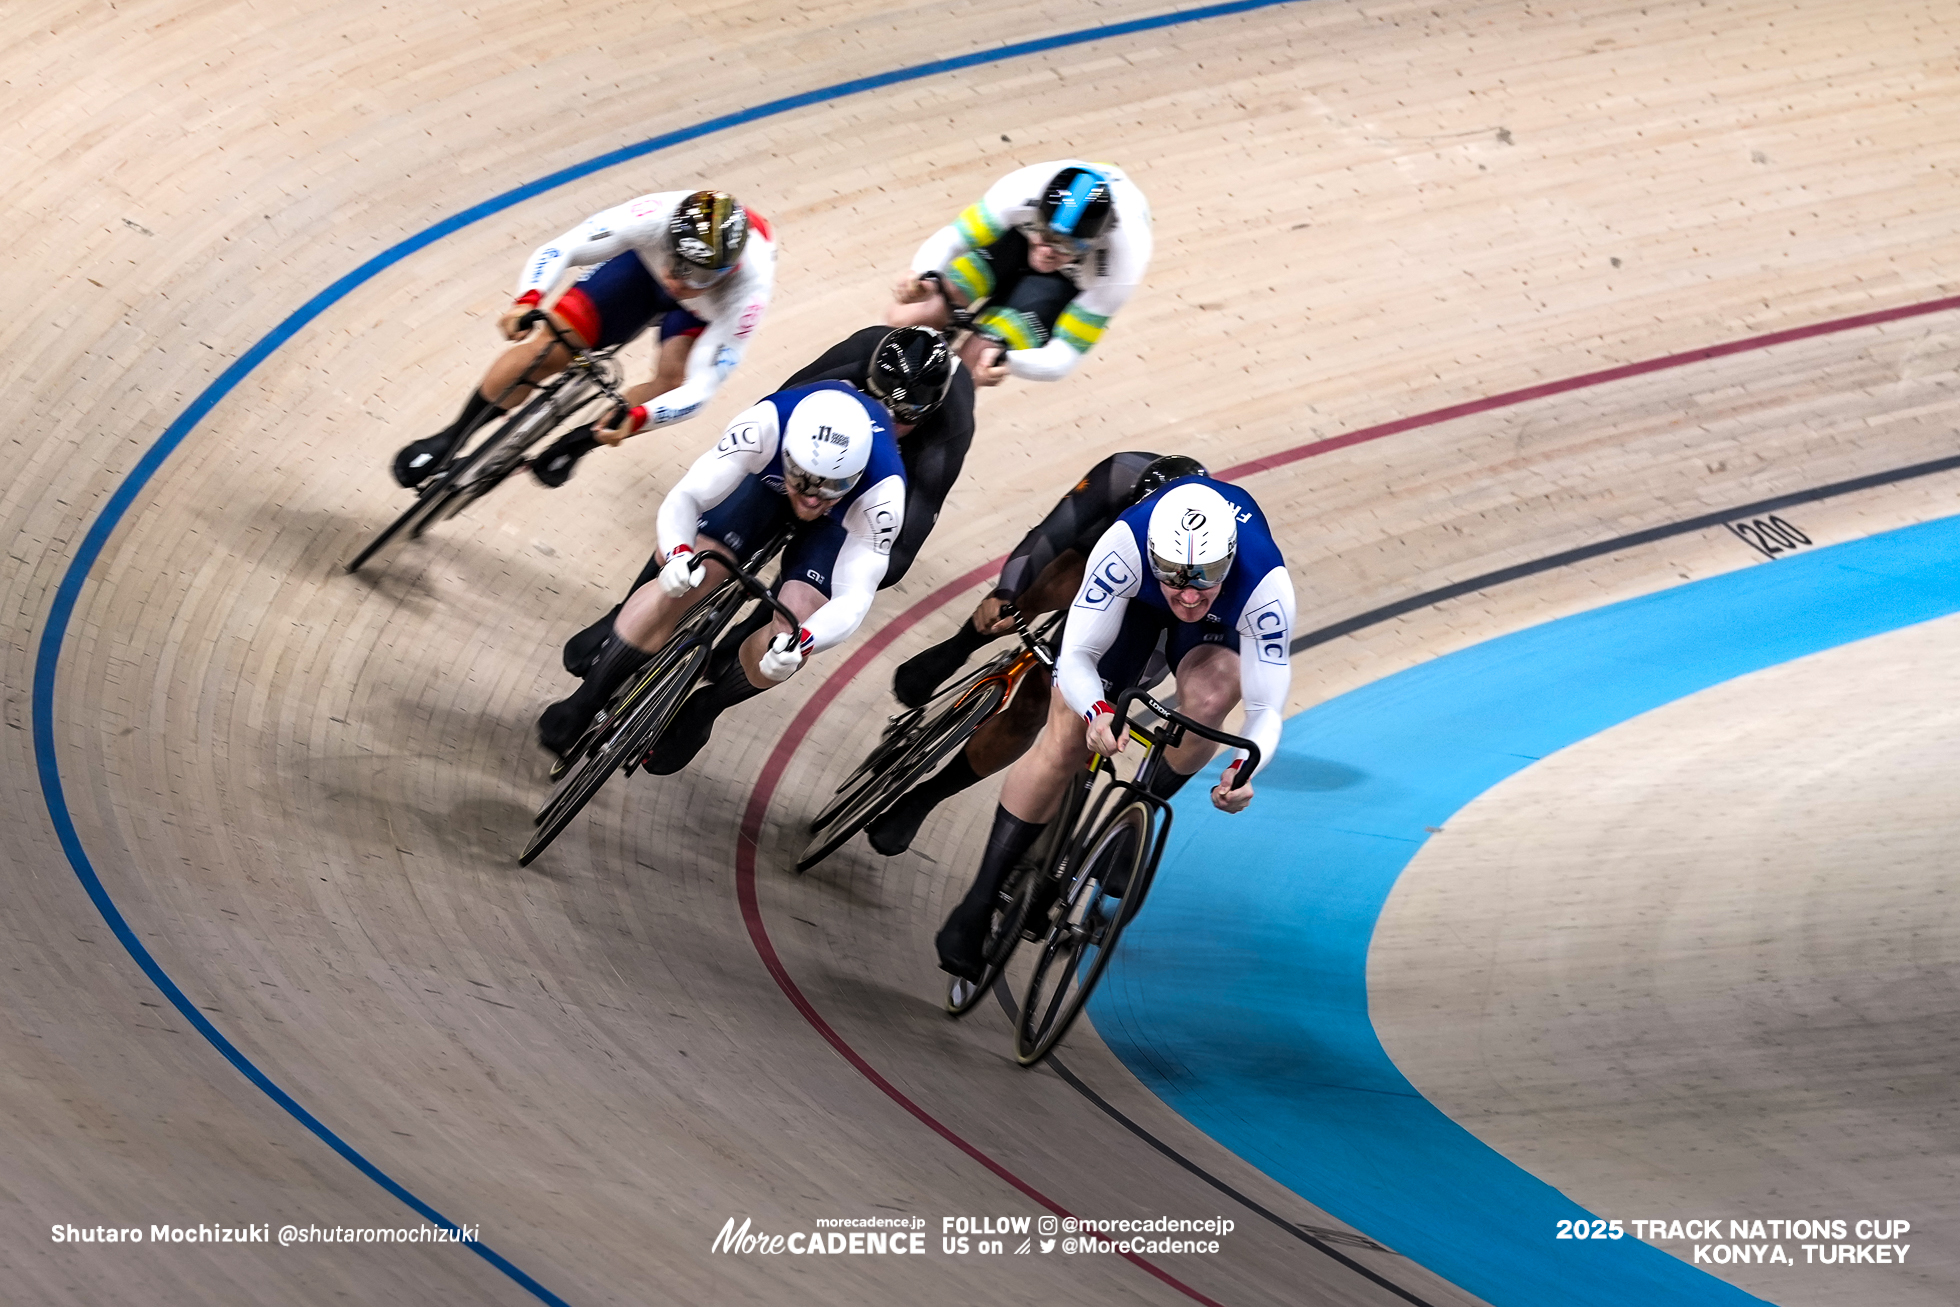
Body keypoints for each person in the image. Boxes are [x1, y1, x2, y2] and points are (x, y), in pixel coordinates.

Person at [933, 475, 1295, 980]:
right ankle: (979, 898)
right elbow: (1076, 656)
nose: (1188, 597)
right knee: (1063, 741)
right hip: (1136, 605)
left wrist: (1244, 766)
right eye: (1174, 577)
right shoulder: (1125, 544)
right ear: (1152, 556)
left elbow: (1265, 708)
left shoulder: (1265, 585)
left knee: (1212, 698)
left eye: (1203, 578)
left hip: (1214, 627)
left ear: (1230, 559)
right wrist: (1096, 711)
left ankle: (1138, 810)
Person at [535, 383, 904, 776]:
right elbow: (688, 497)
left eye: (833, 487)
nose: (813, 499)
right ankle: (587, 698)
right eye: (805, 482)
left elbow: (854, 597)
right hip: (765, 483)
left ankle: (708, 704)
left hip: (835, 527)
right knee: (695, 573)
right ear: (787, 453)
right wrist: (679, 553)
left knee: (794, 623)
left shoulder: (883, 495)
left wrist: (803, 642)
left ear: (858, 475)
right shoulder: (764, 426)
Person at [558, 324, 965, 678]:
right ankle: (621, 614)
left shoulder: (949, 428)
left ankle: (723, 673)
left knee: (805, 600)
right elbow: (762, 434)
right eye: (881, 400)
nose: (888, 418)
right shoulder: (856, 358)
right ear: (867, 379)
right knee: (711, 523)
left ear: (928, 414)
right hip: (807, 459)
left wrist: (819, 585)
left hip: (862, 494)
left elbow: (899, 549)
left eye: (904, 416)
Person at [861, 453, 1208, 856]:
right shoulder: (1121, 475)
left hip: (1148, 601)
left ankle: (925, 797)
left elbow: (1162, 650)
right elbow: (1048, 536)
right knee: (1042, 587)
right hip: (1099, 553)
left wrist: (1094, 688)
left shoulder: (1203, 557)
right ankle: (959, 648)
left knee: (1037, 702)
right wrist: (1006, 593)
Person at [391, 189, 775, 489]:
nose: (679, 282)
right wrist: (527, 301)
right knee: (551, 348)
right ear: (670, 239)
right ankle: (452, 436)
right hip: (642, 269)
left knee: (674, 380)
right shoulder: (655, 216)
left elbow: (702, 389)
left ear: (728, 272)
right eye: (678, 265)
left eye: (699, 277)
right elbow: (563, 247)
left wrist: (640, 417)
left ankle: (579, 442)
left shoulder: (748, 292)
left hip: (700, 312)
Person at [887, 161, 1150, 387]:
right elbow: (951, 240)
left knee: (976, 362)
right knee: (908, 316)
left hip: (1069, 277)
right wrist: (925, 279)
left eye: (1066, 245)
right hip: (1016, 239)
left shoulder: (1123, 259)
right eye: (1045, 234)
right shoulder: (1021, 190)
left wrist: (1007, 360)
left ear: (1093, 242)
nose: (1047, 251)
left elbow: (1065, 355)